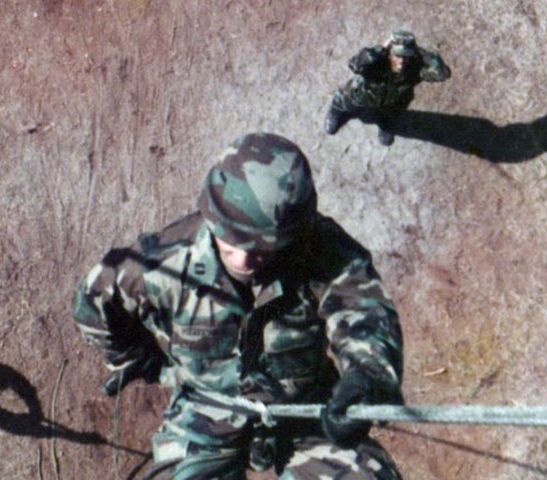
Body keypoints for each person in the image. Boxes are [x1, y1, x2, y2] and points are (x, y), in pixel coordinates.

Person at [72, 133, 405, 479]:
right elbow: (95, 301)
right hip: (206, 414)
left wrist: (367, 376)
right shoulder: (165, 262)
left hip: (306, 412)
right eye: (230, 234)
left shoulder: (322, 250)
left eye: (263, 244)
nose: (245, 258)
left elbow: (366, 314)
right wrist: (137, 360)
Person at [325, 30, 450, 146]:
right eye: (397, 56)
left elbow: (442, 74)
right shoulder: (377, 61)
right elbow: (355, 65)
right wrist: (380, 49)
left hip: (392, 102)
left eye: (406, 57)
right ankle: (336, 112)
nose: (401, 61)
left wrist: (421, 53)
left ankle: (386, 124)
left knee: (392, 113)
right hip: (362, 95)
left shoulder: (414, 68)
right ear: (390, 53)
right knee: (344, 101)